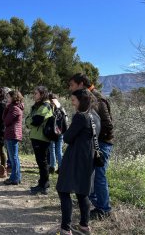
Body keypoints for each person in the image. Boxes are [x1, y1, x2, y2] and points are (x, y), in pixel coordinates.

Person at [69, 73, 114, 220]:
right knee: (91, 175)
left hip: (102, 143)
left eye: (72, 85)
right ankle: (94, 204)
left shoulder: (97, 99)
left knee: (99, 176)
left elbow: (108, 125)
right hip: (93, 143)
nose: (70, 89)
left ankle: (104, 209)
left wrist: (93, 136)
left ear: (81, 84)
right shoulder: (87, 97)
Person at [56, 89, 100, 235]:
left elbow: (68, 138)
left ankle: (65, 228)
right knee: (82, 192)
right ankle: (84, 226)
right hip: (89, 158)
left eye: (74, 100)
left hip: (75, 158)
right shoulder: (95, 116)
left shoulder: (81, 117)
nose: (72, 102)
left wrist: (63, 128)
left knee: (63, 190)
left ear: (81, 101)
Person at [26, 86, 53, 194]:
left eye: (36, 93)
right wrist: (30, 121)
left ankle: (44, 185)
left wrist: (30, 121)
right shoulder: (37, 106)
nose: (34, 95)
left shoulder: (45, 106)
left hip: (41, 137)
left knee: (42, 162)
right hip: (36, 136)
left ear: (42, 94)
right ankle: (42, 184)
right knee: (40, 162)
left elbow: (35, 121)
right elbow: (28, 119)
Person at [2, 90, 24, 185]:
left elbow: (6, 121)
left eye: (8, 97)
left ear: (13, 97)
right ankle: (16, 178)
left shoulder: (14, 108)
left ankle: (14, 178)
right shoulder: (14, 107)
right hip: (13, 134)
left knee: (13, 158)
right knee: (14, 157)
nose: (7, 99)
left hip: (12, 134)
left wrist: (6, 108)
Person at [48, 93, 68, 174]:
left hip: (52, 132)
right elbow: (66, 119)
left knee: (52, 149)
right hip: (61, 132)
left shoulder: (50, 107)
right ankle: (61, 167)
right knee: (59, 150)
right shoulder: (61, 108)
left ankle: (52, 167)